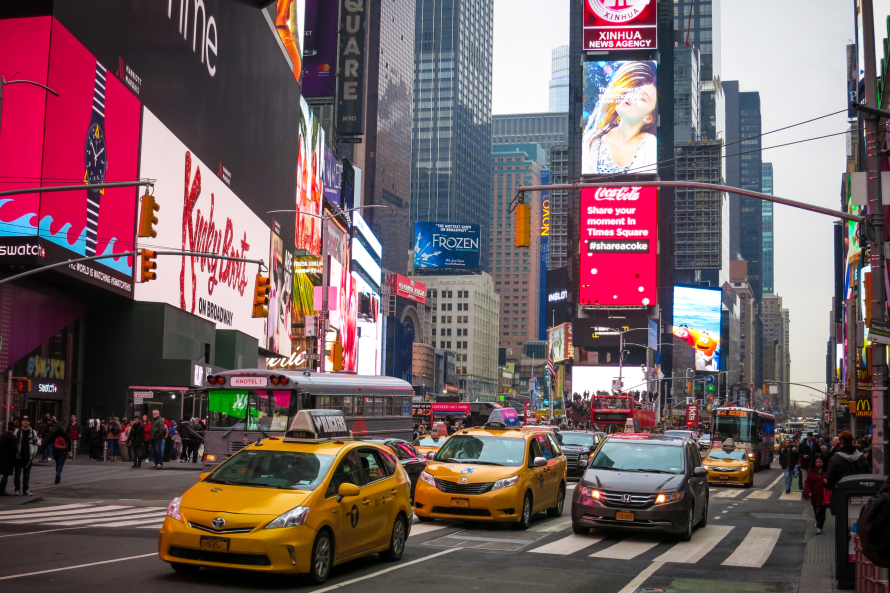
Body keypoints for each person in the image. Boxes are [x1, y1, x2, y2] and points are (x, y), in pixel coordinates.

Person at [581, 61, 658, 175]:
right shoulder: (592, 139)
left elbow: (649, 187)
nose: (632, 96)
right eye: (635, 90)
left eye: (642, 98)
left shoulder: (650, 144)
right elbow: (583, 185)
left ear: (648, 118)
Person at [827, 431, 871, 513]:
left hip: (840, 494)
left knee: (841, 520)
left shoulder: (836, 458)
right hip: (859, 494)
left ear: (841, 442)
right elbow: (867, 473)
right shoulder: (861, 457)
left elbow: (830, 478)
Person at [804, 455, 830, 534]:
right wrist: (807, 492)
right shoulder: (811, 471)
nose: (818, 464)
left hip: (823, 494)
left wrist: (828, 482)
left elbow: (832, 481)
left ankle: (819, 526)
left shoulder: (827, 471)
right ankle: (819, 525)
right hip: (814, 494)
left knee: (821, 511)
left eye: (820, 462)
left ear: (823, 463)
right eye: (817, 462)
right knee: (816, 510)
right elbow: (807, 482)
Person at [14, 416, 39, 495]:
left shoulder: (33, 432)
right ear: (21, 422)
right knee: (17, 474)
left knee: (27, 474)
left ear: (29, 422)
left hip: (28, 456)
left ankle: (25, 490)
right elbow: (14, 442)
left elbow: (36, 443)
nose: (25, 422)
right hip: (19, 456)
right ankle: (17, 489)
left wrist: (34, 452)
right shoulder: (17, 431)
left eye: (27, 421)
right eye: (24, 421)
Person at [0, 421, 16, 496]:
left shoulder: (2, 436)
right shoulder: (13, 438)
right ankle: (2, 490)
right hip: (9, 458)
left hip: (1, 456)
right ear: (14, 429)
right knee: (5, 475)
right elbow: (14, 450)